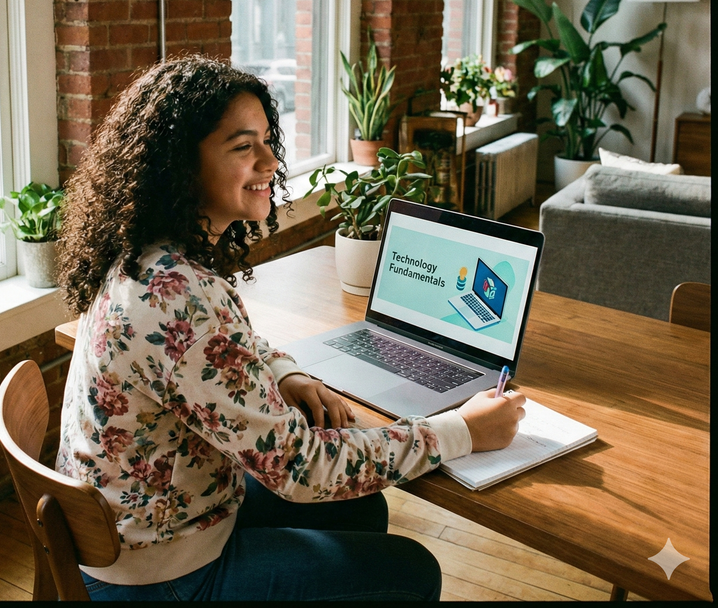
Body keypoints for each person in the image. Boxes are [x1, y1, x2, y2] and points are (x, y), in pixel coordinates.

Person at [56, 54, 526, 601]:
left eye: (265, 140)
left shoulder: (150, 260)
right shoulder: (184, 298)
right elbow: (300, 468)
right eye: (242, 146)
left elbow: (216, 353)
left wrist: (284, 373)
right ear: (179, 166)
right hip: (161, 573)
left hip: (140, 524)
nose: (270, 160)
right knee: (412, 571)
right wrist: (463, 431)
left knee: (363, 508)